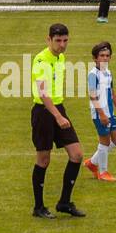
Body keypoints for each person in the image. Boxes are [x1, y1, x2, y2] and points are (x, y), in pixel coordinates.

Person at [29, 22, 85, 219]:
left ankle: (64, 202)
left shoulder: (61, 57)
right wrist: (58, 116)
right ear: (48, 40)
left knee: (77, 154)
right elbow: (43, 94)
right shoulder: (41, 60)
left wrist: (60, 113)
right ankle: (38, 207)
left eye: (65, 40)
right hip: (44, 112)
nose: (62, 45)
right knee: (43, 160)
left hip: (58, 108)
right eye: (58, 41)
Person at [83, 41, 116, 183]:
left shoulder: (108, 73)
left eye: (107, 55)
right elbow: (92, 95)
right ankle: (103, 172)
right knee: (105, 142)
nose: (105, 58)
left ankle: (92, 162)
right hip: (99, 113)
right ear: (95, 58)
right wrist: (101, 114)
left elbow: (112, 93)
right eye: (101, 55)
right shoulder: (93, 75)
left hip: (110, 112)